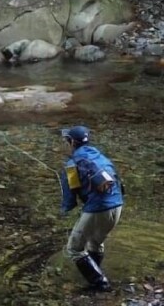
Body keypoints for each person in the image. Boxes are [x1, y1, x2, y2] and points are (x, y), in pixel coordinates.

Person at [59, 125, 124, 292]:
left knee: (74, 249)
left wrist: (65, 209)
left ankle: (100, 283)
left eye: (67, 140)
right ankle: (96, 276)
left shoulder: (72, 164)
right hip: (117, 205)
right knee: (95, 242)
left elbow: (69, 196)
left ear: (71, 142)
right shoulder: (100, 156)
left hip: (98, 209)